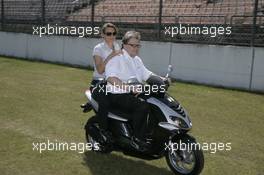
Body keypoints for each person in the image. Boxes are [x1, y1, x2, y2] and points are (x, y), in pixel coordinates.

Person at [105, 31, 165, 150]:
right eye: (133, 45)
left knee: (155, 102)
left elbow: (147, 74)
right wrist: (129, 88)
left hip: (132, 92)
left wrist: (162, 79)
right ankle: (138, 139)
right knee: (141, 106)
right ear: (124, 44)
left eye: (138, 45)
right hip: (116, 94)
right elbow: (111, 78)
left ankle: (149, 133)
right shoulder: (116, 57)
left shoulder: (136, 59)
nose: (136, 48)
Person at [90, 23, 122, 136]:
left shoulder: (117, 46)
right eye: (108, 33)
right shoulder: (98, 48)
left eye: (114, 33)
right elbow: (100, 70)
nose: (112, 36)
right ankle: (103, 131)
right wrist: (112, 55)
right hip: (99, 82)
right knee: (105, 101)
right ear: (102, 35)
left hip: (115, 82)